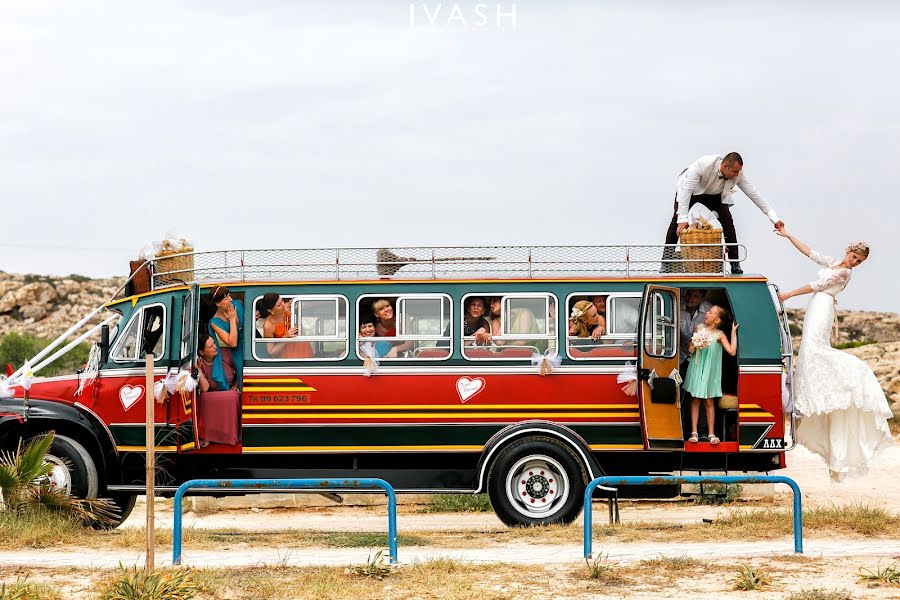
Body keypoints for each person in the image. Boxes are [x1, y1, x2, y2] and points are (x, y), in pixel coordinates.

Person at [776, 231, 892, 480]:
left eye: (859, 261)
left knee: (816, 348)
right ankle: (810, 394)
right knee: (808, 349)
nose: (854, 263)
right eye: (854, 257)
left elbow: (815, 286)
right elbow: (809, 251)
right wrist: (787, 235)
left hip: (823, 305)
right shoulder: (834, 263)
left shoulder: (844, 273)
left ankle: (847, 378)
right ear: (848, 251)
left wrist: (788, 295)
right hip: (816, 306)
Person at [663, 152, 785, 274]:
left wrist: (774, 218)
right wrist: (683, 219)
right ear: (725, 166)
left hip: (715, 196)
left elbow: (753, 193)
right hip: (692, 193)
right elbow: (686, 191)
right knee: (676, 222)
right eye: (735, 172)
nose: (737, 175)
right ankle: (666, 262)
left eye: (738, 172)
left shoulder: (738, 174)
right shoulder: (703, 164)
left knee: (728, 223)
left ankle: (735, 263)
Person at [683, 305, 739, 445]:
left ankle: (711, 433)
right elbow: (690, 347)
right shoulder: (699, 329)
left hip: (709, 372)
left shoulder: (719, 335)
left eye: (710, 312)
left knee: (708, 401)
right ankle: (694, 432)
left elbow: (732, 351)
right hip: (697, 368)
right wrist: (694, 342)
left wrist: (733, 333)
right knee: (695, 399)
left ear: (717, 320)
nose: (706, 313)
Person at [195, 331, 240, 445]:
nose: (215, 347)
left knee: (233, 395)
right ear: (202, 352)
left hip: (231, 391)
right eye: (211, 346)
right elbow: (205, 389)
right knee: (203, 398)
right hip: (213, 396)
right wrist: (199, 370)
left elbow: (239, 371)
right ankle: (211, 436)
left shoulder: (225, 354)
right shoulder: (200, 363)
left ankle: (230, 437)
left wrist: (235, 385)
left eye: (214, 343)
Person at [207, 286, 244, 391]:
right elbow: (233, 343)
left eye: (229, 296)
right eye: (226, 298)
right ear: (218, 303)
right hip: (238, 352)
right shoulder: (215, 322)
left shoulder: (238, 304)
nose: (231, 300)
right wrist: (232, 320)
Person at [257, 293, 313, 359]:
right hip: (289, 355)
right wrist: (286, 337)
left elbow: (311, 307)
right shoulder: (268, 326)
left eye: (282, 301)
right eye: (279, 305)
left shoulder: (288, 307)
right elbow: (271, 352)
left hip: (303, 348)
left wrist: (298, 305)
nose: (283, 305)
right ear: (270, 310)